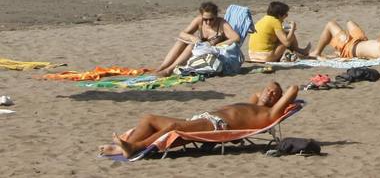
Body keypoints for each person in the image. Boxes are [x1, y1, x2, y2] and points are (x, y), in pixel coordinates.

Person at [98, 81, 300, 158]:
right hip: (204, 118)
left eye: (275, 94)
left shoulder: (269, 114)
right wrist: (265, 94)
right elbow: (257, 95)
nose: (269, 93)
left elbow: (294, 89)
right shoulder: (255, 104)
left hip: (216, 126)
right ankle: (123, 147)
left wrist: (276, 99)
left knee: (175, 127)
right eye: (268, 89)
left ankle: (135, 147)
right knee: (149, 118)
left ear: (279, 100)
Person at [152, 2, 241, 76]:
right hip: (200, 51)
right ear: (201, 16)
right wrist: (192, 37)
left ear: (216, 16)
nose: (208, 22)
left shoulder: (222, 24)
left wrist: (218, 45)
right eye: (205, 19)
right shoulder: (199, 21)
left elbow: (236, 38)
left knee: (192, 46)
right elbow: (182, 33)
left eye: (211, 19)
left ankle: (169, 70)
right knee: (181, 42)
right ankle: (162, 67)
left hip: (213, 54)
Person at [313, 19, 380, 60]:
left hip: (349, 47)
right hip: (360, 40)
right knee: (350, 23)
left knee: (330, 24)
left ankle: (316, 52)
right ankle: (337, 49)